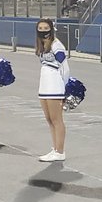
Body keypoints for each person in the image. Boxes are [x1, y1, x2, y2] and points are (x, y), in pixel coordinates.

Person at [36, 18, 69, 162]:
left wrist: (65, 86)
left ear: (51, 29)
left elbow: (64, 66)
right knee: (49, 119)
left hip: (55, 85)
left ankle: (60, 151)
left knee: (57, 119)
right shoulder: (42, 45)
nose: (43, 31)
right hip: (44, 85)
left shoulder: (56, 45)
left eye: (45, 28)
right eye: (40, 28)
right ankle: (55, 148)